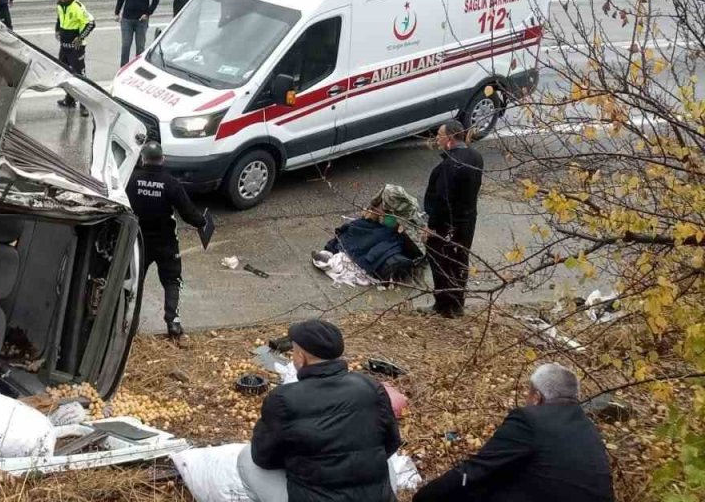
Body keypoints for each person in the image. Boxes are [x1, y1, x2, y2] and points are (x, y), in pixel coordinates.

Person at [244, 319, 401, 502]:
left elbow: (262, 457)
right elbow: (391, 442)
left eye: (294, 352)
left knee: (245, 459)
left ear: (301, 357)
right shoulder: (370, 386)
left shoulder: (283, 398)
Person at [414, 363, 615, 502]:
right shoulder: (587, 427)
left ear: (537, 397)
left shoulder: (530, 420)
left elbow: (477, 470)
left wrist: (425, 496)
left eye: (528, 393)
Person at [126, 141, 207, 338]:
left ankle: (128, 322)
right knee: (172, 280)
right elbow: (189, 214)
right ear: (162, 159)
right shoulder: (171, 184)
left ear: (143, 159)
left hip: (138, 241)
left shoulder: (131, 180)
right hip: (166, 242)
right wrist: (203, 222)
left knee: (134, 281)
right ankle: (173, 323)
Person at [423, 120, 484, 318]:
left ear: (449, 138)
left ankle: (443, 305)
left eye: (440, 136)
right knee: (459, 261)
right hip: (467, 220)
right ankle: (457, 304)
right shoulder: (475, 157)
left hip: (447, 224)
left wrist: (431, 227)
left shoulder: (448, 166)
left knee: (441, 261)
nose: (437, 139)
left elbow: (442, 200)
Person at [53, 0, 96, 115]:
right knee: (65, 74)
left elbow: (91, 23)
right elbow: (60, 19)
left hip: (76, 48)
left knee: (79, 75)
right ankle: (70, 99)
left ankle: (85, 104)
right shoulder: (60, 5)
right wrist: (57, 30)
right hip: (64, 46)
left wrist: (80, 38)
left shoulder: (78, 7)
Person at [115, 0, 159, 65]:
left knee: (140, 47)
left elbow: (156, 0)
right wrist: (117, 12)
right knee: (125, 46)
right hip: (127, 19)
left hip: (141, 20)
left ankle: (138, 66)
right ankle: (123, 67)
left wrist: (148, 13)